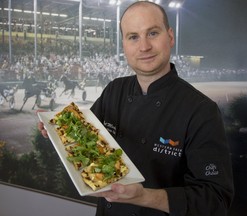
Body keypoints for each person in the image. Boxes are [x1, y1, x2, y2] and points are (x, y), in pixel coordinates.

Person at [38, 1, 234, 216]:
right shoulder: (114, 89)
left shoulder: (201, 110)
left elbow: (215, 200)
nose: (144, 47)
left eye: (152, 33)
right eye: (133, 37)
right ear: (124, 45)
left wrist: (144, 197)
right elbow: (86, 141)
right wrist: (60, 129)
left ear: (170, 37)